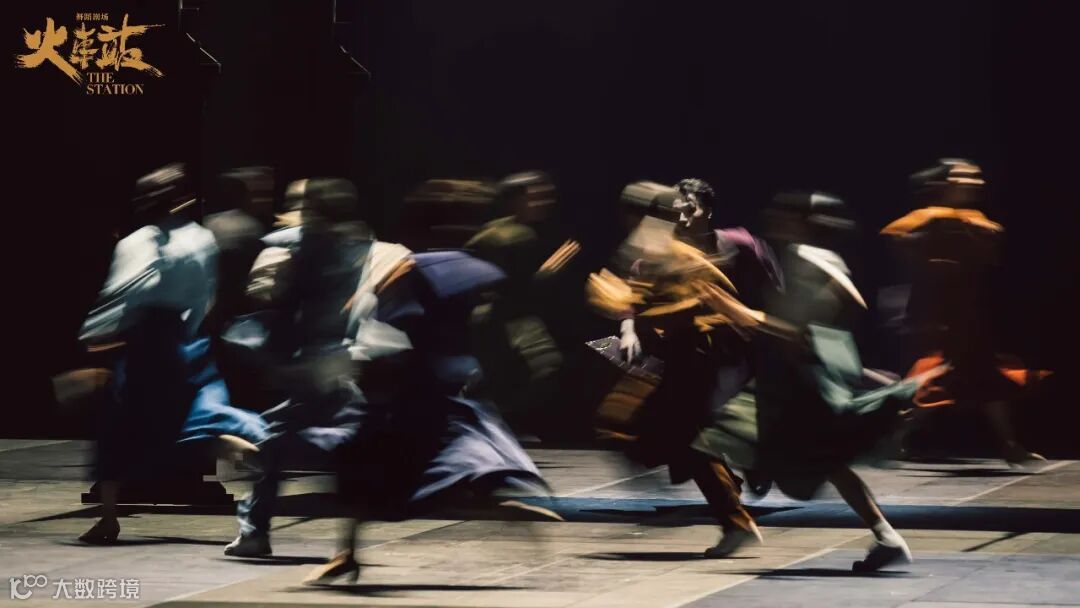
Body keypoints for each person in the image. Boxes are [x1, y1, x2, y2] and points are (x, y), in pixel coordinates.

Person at [692, 191, 948, 571]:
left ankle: (745, 506)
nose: (774, 221)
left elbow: (795, 328)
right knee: (829, 462)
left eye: (783, 216)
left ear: (800, 222)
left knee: (721, 438)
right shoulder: (817, 256)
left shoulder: (805, 257)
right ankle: (886, 536)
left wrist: (740, 312)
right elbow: (846, 304)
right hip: (795, 378)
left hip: (800, 385)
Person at [304, 248, 561, 585]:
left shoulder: (411, 312)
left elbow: (389, 356)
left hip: (399, 411)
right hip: (414, 408)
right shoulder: (445, 313)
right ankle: (346, 554)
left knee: (374, 484)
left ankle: (346, 554)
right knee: (387, 485)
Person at [77, 163, 267, 544]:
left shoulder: (139, 242)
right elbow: (206, 293)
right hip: (186, 339)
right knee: (189, 424)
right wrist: (190, 328)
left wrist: (97, 331)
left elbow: (128, 291)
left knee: (118, 427)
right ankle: (257, 456)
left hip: (151, 341)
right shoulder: (200, 238)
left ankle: (109, 518)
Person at [587, 180, 766, 559]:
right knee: (675, 434)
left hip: (699, 354)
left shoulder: (678, 252)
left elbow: (707, 297)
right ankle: (733, 510)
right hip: (681, 353)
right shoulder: (653, 248)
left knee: (667, 430)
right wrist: (623, 312)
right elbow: (635, 294)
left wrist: (648, 308)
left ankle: (736, 510)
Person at [223, 177, 372, 557]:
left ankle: (255, 531)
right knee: (337, 433)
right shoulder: (357, 243)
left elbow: (267, 294)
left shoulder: (297, 245)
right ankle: (260, 528)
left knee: (279, 441)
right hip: (338, 356)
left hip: (306, 361)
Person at [882, 159, 1049, 465]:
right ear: (946, 184)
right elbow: (900, 242)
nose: (976, 182)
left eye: (977, 176)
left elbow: (989, 251)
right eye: (966, 176)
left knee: (984, 379)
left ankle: (1009, 445)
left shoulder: (973, 218)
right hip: (942, 317)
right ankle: (893, 436)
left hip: (968, 314)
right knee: (949, 378)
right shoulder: (928, 217)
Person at [466, 171, 578, 434]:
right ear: (514, 200)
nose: (544, 203)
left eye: (546, 197)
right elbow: (500, 285)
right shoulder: (504, 236)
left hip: (518, 318)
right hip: (506, 320)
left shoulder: (519, 233)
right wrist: (544, 276)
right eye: (536, 197)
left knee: (536, 372)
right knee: (540, 369)